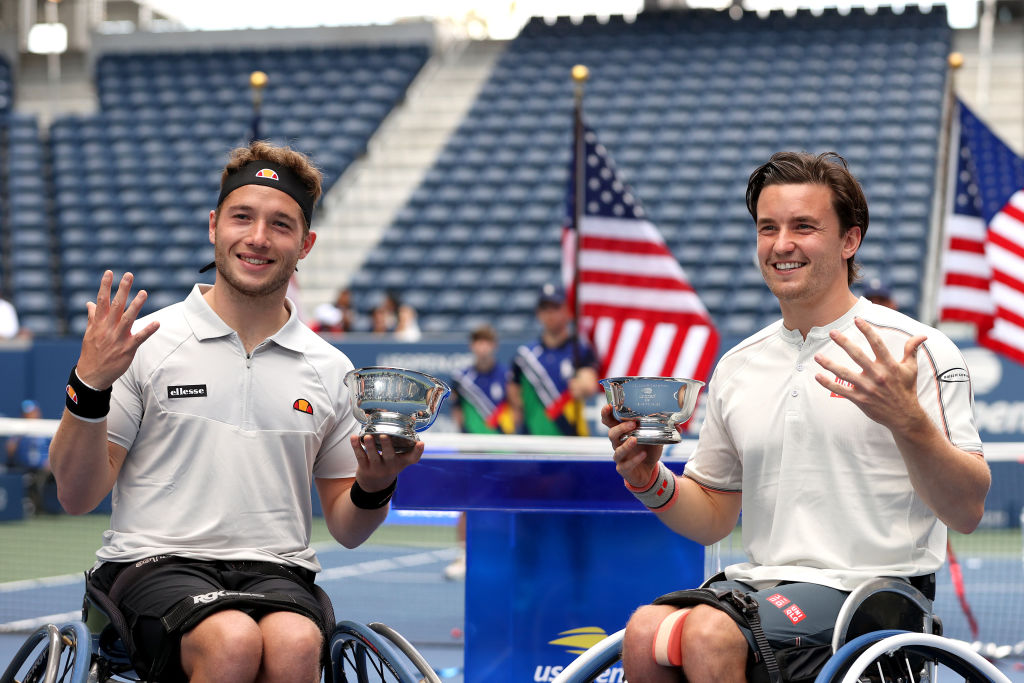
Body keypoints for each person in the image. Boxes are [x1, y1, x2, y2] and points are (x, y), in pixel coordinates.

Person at [602, 151, 990, 683]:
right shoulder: (739, 364)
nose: (782, 244)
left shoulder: (918, 350)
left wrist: (909, 422)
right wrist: (649, 481)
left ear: (849, 241)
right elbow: (714, 512)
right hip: (762, 587)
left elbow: (967, 510)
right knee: (645, 631)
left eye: (803, 227)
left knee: (709, 634)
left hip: (875, 596)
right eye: (768, 228)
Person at [48, 141, 425, 683]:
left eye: (280, 224)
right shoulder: (147, 344)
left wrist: (375, 483)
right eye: (242, 217)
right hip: (153, 563)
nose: (257, 237)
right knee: (231, 639)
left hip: (279, 571)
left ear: (306, 244)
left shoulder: (330, 367)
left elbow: (347, 526)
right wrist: (88, 384)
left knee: (296, 644)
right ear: (213, 225)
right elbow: (75, 494)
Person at [444, 324, 513, 580]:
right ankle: (464, 553)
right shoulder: (461, 378)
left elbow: (515, 411)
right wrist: (464, 446)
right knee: (467, 503)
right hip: (473, 452)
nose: (482, 347)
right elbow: (459, 415)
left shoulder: (507, 376)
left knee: (505, 504)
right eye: (477, 341)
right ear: (473, 346)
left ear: (493, 345)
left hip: (503, 452)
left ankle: (504, 554)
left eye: (486, 341)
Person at [508, 283, 600, 436]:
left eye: (555, 307)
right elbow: (514, 392)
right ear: (538, 313)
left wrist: (582, 386)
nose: (550, 313)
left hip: (571, 438)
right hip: (533, 440)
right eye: (545, 308)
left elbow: (589, 384)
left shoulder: (580, 350)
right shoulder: (524, 356)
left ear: (567, 311)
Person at [4, 399, 53, 513]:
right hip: (23, 467)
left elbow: (53, 449)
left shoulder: (46, 428)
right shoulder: (18, 429)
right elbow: (10, 451)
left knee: (42, 475)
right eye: (26, 413)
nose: (29, 415)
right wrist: (18, 437)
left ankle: (39, 507)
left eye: (32, 412)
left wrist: (49, 462)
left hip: (43, 467)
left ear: (37, 412)